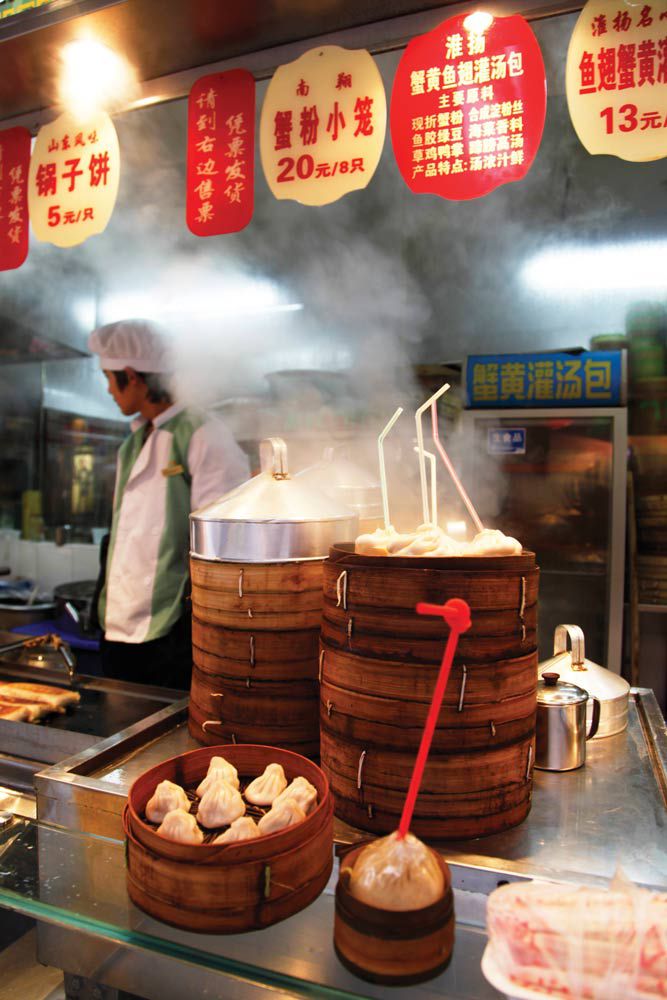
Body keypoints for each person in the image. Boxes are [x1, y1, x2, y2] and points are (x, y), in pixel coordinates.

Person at [88, 319, 249, 689]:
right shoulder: (132, 442)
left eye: (110, 378)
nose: (109, 390)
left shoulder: (203, 434)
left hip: (170, 633)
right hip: (118, 626)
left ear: (131, 375)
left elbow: (222, 543)